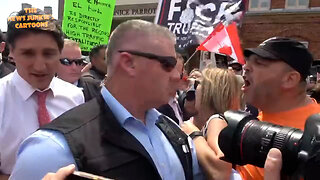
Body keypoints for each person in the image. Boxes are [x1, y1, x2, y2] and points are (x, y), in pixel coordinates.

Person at [10, 19, 202, 180]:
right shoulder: (51, 149)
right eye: (168, 64)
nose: (177, 76)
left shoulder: (171, 130)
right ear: (129, 63)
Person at [0, 8, 84, 177]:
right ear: (12, 53)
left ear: (59, 53)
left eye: (48, 54)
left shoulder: (75, 96)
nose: (40, 66)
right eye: (28, 54)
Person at [237, 37, 320, 179]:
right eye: (247, 61)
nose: (245, 67)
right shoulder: (253, 122)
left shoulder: (316, 132)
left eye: (259, 63)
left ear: (290, 79)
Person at [181, 67, 241, 180]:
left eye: (199, 84)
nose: (195, 89)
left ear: (209, 91)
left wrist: (194, 134)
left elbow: (221, 171)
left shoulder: (216, 120)